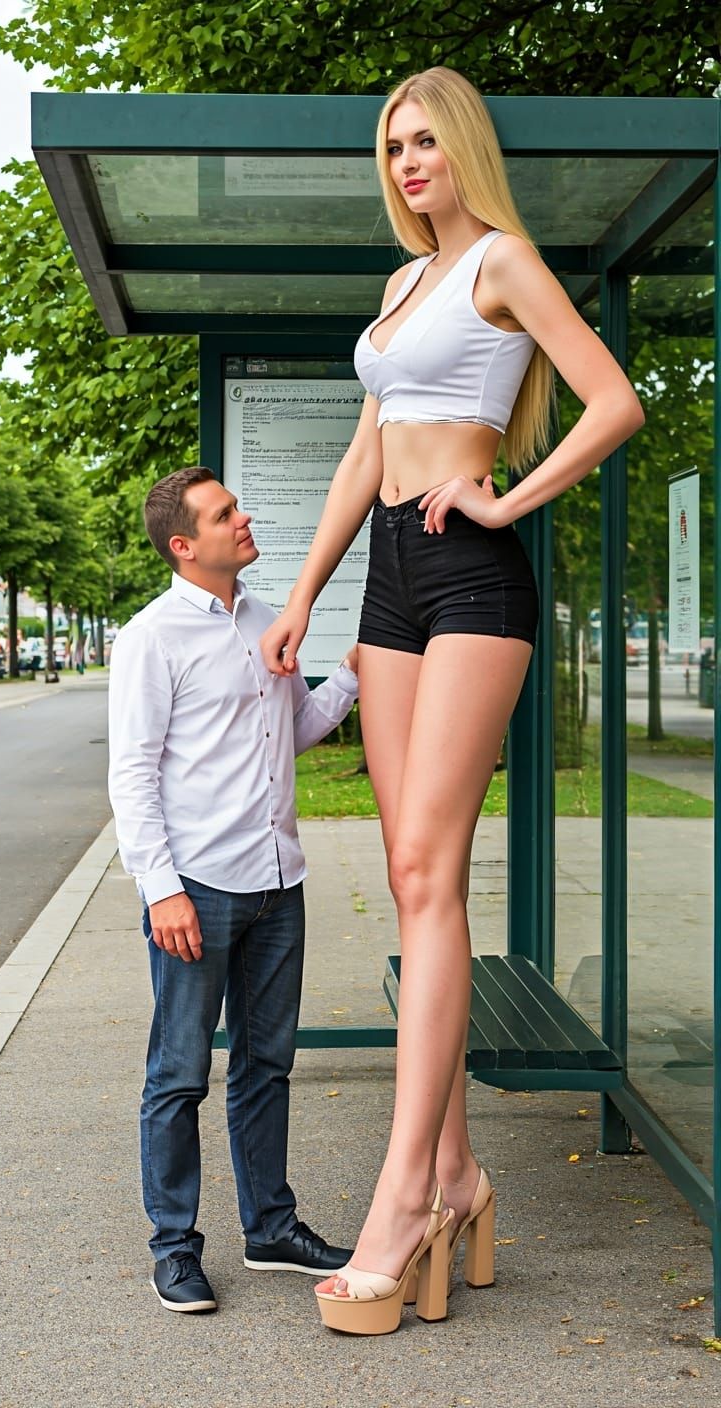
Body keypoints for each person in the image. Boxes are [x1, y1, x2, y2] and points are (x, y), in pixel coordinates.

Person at [260, 66, 644, 1337]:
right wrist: (303, 593)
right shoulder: (399, 286)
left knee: (427, 874)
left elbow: (614, 403)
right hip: (388, 575)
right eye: (393, 145)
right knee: (418, 876)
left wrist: (506, 500)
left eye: (425, 140)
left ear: (461, 146)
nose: (408, 161)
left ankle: (403, 1198)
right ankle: (460, 1176)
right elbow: (368, 447)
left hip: (472, 569)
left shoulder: (504, 263)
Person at [108, 465, 360, 1315]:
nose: (242, 518)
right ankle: (174, 1248)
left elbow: (290, 732)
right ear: (185, 545)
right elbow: (134, 774)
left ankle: (270, 1227)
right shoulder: (152, 638)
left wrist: (352, 675)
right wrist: (161, 889)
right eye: (223, 514)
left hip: (277, 883)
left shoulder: (266, 618)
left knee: (267, 1066)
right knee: (179, 1074)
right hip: (198, 890)